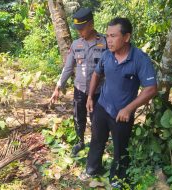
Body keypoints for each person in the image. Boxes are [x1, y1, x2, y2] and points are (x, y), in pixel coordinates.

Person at [83, 17, 157, 188]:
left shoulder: (140, 59)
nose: (108, 40)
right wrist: (90, 96)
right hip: (102, 105)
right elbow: (96, 73)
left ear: (126, 37)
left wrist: (129, 109)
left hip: (122, 113)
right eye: (107, 35)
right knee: (96, 139)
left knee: (120, 148)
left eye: (113, 36)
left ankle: (117, 179)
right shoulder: (107, 55)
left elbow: (151, 88)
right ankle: (92, 169)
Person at [50, 8, 107, 156]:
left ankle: (97, 145)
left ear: (91, 24)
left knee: (97, 120)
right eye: (77, 28)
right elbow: (68, 68)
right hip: (80, 90)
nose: (79, 31)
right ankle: (80, 141)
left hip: (99, 91)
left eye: (82, 28)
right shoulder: (76, 44)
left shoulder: (105, 42)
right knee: (78, 117)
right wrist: (58, 87)